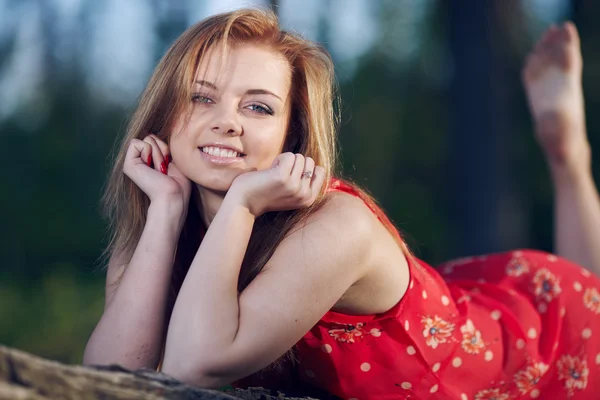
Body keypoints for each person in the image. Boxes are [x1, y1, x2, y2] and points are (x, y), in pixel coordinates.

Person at [82, 8, 600, 399]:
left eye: (258, 106)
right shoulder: (160, 213)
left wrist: (241, 202)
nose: (227, 121)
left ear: (291, 135)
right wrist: (165, 214)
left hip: (522, 365)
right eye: (201, 97)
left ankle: (567, 153)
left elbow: (191, 367)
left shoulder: (336, 226)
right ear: (166, 112)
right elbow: (109, 377)